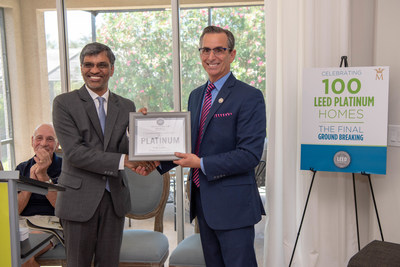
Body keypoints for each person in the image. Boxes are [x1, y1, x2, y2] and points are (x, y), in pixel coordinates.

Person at [160, 26, 266, 266]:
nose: (211, 57)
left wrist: (201, 163)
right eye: (206, 50)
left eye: (219, 50)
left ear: (232, 54)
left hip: (234, 206)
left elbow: (249, 155)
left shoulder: (249, 96)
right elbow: (190, 142)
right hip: (204, 203)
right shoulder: (196, 95)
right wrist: (154, 160)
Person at [52, 42, 155, 267]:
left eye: (102, 65)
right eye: (88, 65)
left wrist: (146, 132)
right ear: (81, 68)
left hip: (114, 198)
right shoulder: (64, 103)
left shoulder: (126, 105)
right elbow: (75, 153)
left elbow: (126, 147)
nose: (95, 70)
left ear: (112, 68)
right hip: (78, 200)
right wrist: (124, 160)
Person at [17, 123, 62, 267]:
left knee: (20, 257)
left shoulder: (66, 168)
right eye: (39, 138)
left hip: (50, 224)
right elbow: (15, 210)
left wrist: (43, 178)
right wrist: (29, 183)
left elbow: (62, 208)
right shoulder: (22, 168)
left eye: (50, 139)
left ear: (57, 144)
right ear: (32, 141)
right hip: (22, 223)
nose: (43, 144)